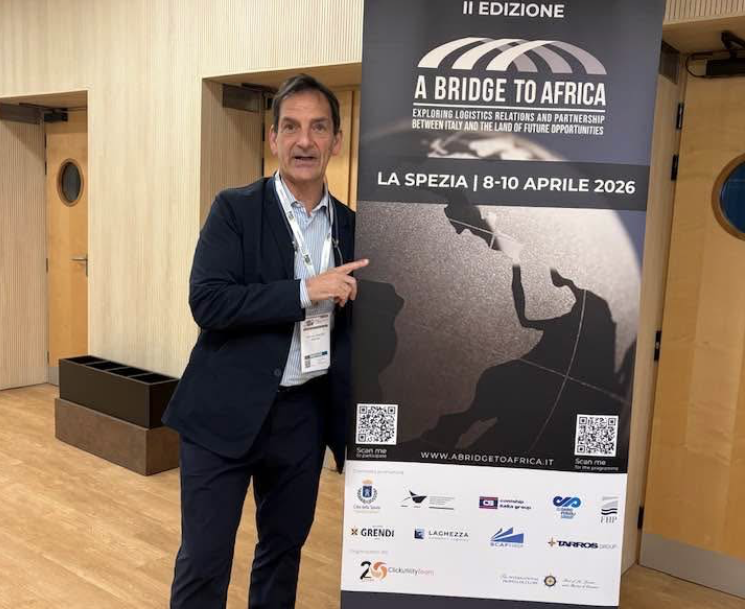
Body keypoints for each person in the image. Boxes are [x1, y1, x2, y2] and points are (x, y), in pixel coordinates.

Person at [162, 73, 368, 609]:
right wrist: (305, 291)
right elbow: (208, 301)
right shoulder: (235, 209)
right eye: (291, 127)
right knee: (204, 562)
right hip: (223, 413)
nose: (305, 141)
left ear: (336, 141)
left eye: (318, 127)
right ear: (273, 138)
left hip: (302, 417)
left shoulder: (353, 228)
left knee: (282, 556)